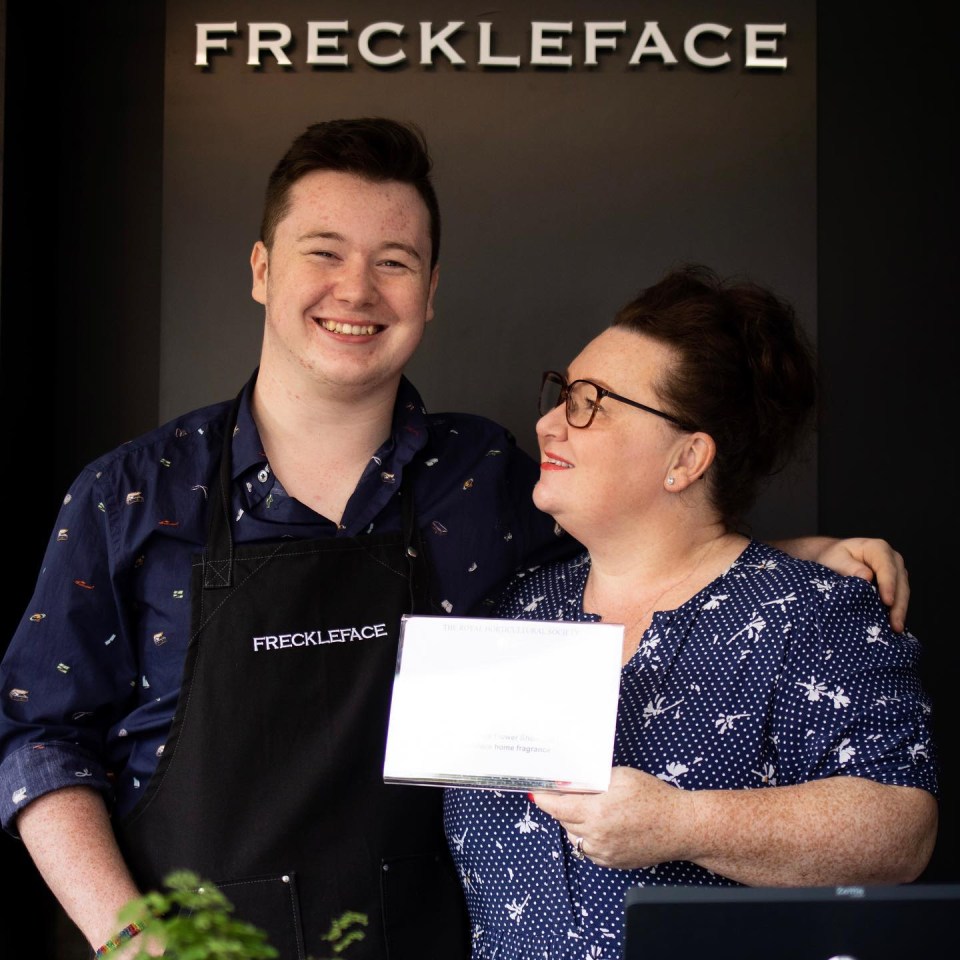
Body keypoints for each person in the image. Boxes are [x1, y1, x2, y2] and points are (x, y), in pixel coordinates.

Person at [0, 120, 908, 959]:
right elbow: (42, 741)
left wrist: (797, 557)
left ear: (430, 292)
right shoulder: (128, 493)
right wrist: (130, 941)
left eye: (395, 262)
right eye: (324, 252)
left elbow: (649, 552)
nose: (357, 290)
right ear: (262, 268)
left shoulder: (486, 477)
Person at [443, 264, 938, 960]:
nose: (549, 422)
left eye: (590, 402)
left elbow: (899, 828)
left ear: (686, 459)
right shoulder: (517, 611)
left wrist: (682, 822)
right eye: (561, 393)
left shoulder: (814, 611)